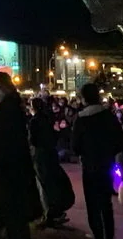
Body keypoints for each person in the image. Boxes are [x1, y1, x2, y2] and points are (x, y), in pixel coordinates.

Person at [0, 72, 41, 239]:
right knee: (14, 224)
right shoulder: (8, 111)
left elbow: (7, 146)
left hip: (5, 179)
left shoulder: (7, 114)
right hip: (10, 179)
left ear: (7, 89)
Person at [72, 82, 123, 239]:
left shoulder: (81, 119)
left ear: (84, 98)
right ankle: (109, 235)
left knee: (92, 204)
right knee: (106, 203)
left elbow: (75, 146)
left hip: (89, 166)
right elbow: (121, 141)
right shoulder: (108, 116)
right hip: (106, 164)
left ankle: (98, 234)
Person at [28, 97, 74, 228]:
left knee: (44, 185)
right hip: (51, 153)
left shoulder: (34, 121)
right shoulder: (49, 118)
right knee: (52, 182)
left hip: (41, 155)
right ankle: (55, 212)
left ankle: (49, 214)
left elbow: (33, 140)